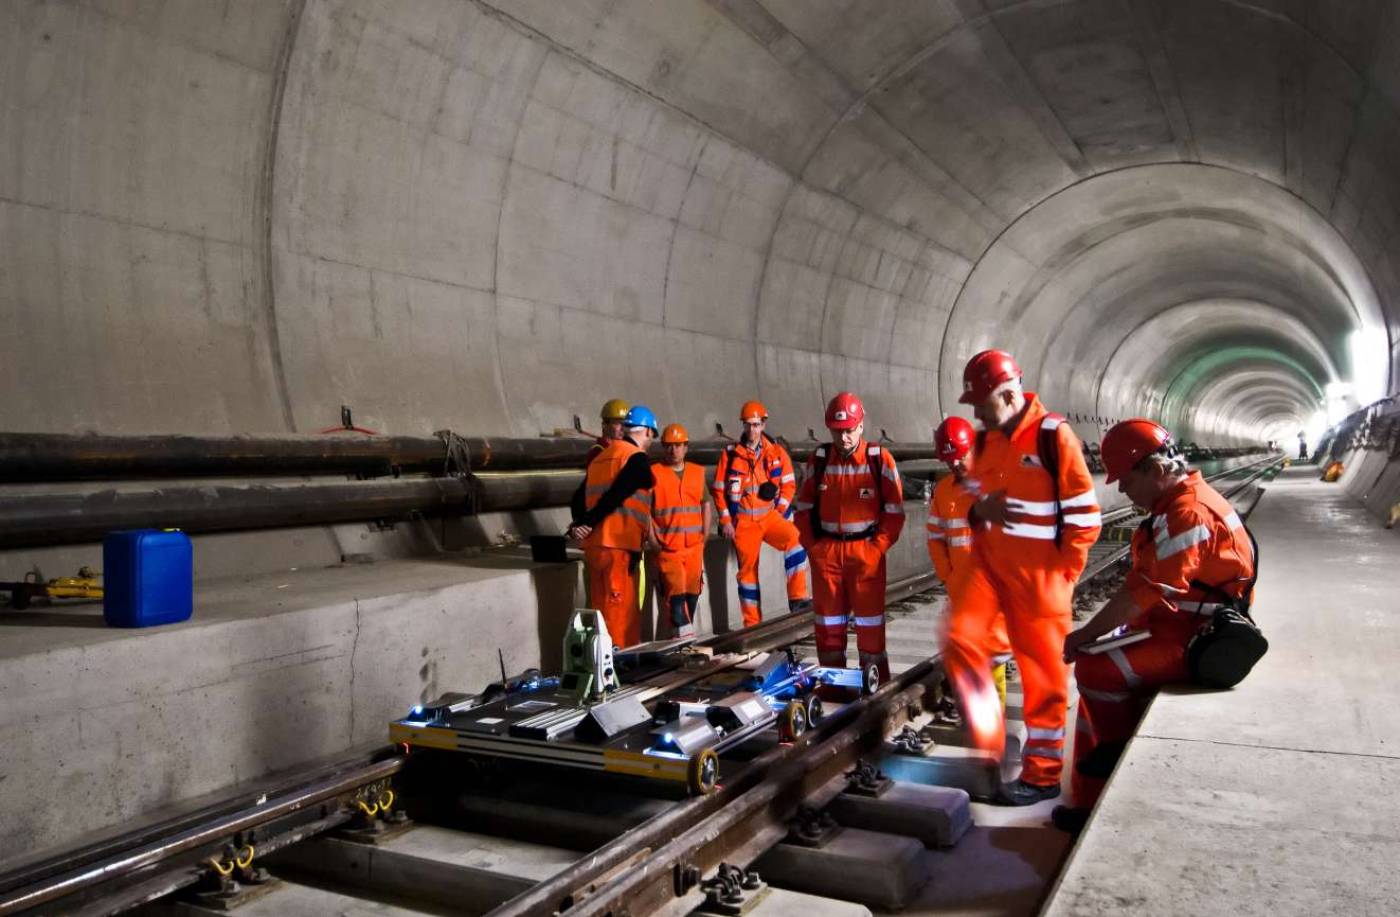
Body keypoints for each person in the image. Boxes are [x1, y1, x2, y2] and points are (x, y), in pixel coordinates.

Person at [1054, 419, 1255, 833]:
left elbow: (1146, 591)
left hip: (1195, 635)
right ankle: (1087, 792)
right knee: (1096, 666)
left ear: (1156, 470)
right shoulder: (1176, 506)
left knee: (1096, 669)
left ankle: (1110, 762)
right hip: (1179, 622)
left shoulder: (1188, 513)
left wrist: (1086, 633)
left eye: (1127, 481)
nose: (1124, 491)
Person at [942, 350, 1102, 806]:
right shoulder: (986, 442)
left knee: (1043, 679)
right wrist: (980, 510)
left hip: (1040, 582)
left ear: (1008, 395)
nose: (976, 413)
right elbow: (973, 500)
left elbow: (1085, 518)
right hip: (993, 575)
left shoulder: (1053, 436)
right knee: (963, 641)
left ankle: (1042, 776)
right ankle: (989, 749)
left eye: (981, 403)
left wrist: (1062, 576)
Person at [794, 392, 905, 682]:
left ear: (861, 426)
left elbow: (895, 512)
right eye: (837, 431)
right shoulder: (819, 460)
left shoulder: (878, 459)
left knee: (870, 628)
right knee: (828, 628)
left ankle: (875, 686)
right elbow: (802, 509)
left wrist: (877, 548)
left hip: (865, 554)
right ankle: (835, 688)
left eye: (849, 430)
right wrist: (814, 548)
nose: (843, 438)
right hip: (827, 555)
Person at [929, 417, 1013, 707]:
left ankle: (993, 719)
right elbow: (935, 538)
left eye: (960, 456)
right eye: (948, 460)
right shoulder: (944, 492)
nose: (955, 464)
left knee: (994, 657)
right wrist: (948, 577)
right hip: (960, 589)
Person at [712, 400, 811, 626]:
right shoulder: (730, 455)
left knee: (796, 538)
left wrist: (780, 510)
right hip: (744, 522)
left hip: (769, 517)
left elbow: (789, 484)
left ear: (763, 425)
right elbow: (718, 490)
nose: (752, 429)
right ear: (743, 425)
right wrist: (726, 521)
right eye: (748, 425)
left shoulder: (775, 452)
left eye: (756, 425)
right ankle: (752, 625)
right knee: (747, 575)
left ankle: (798, 599)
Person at [567, 405, 658, 647]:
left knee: (601, 610)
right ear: (648, 431)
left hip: (595, 548)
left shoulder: (601, 458)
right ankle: (619, 664)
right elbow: (617, 494)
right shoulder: (636, 458)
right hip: (618, 546)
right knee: (621, 613)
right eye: (652, 436)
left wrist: (580, 524)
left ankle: (601, 660)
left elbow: (577, 499)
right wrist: (588, 521)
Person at [650, 423, 713, 639]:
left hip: (694, 548)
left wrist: (704, 536)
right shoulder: (654, 474)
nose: (673, 450)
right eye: (669, 445)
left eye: (678, 445)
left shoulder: (697, 472)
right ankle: (685, 643)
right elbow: (645, 510)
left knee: (691, 596)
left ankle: (680, 641)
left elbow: (706, 504)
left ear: (686, 447)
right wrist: (653, 541)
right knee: (676, 599)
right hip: (669, 549)